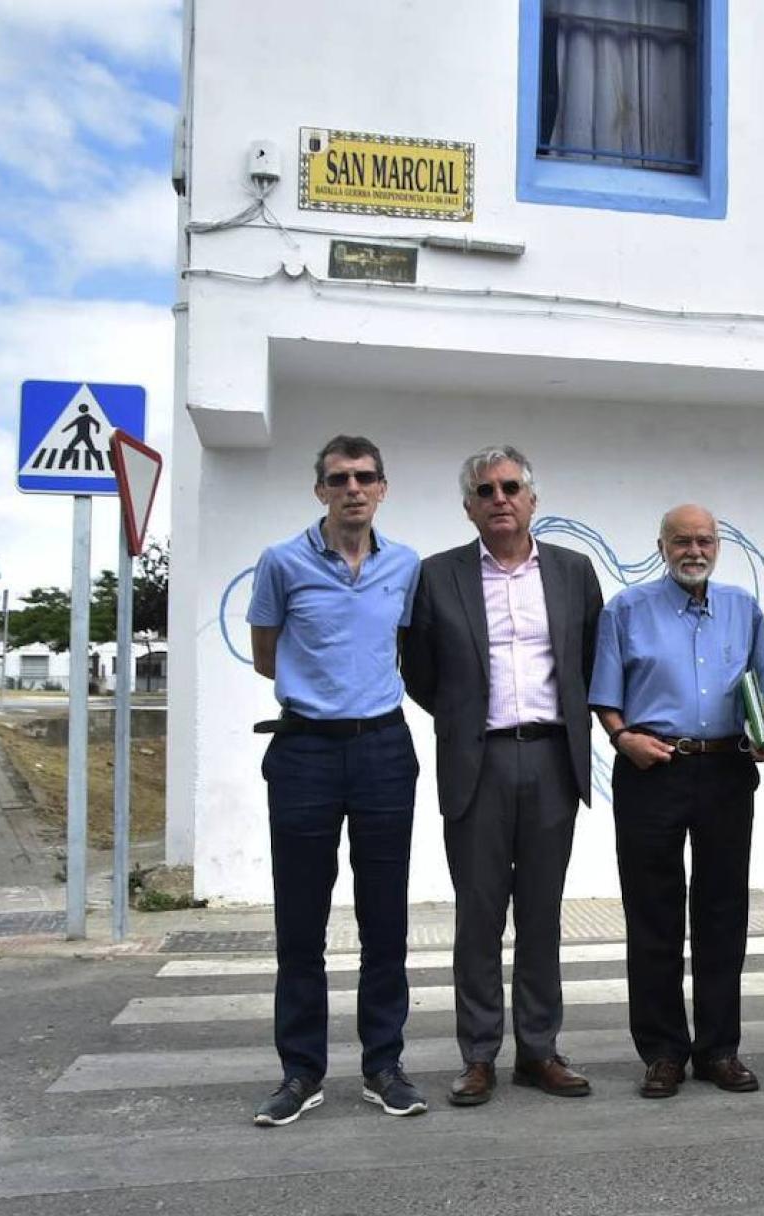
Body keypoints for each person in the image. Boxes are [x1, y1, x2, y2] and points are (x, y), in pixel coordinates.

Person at [401, 445, 604, 1107]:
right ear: (469, 506)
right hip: (477, 761)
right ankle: (480, 1056)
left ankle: (539, 1052)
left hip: (551, 757)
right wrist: (464, 720)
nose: (500, 499)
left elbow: (591, 660)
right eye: (485, 491)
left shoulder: (575, 572)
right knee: (479, 917)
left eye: (511, 487)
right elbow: (420, 672)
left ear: (532, 499)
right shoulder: (437, 576)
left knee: (542, 915)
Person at [247, 434, 424, 1127]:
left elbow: (404, 647)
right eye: (339, 478)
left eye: (365, 477)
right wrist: (320, 694)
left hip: (383, 748)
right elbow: (268, 656)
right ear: (319, 489)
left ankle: (384, 1066)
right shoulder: (281, 563)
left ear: (383, 488)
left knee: (386, 919)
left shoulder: (405, 566)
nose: (353, 488)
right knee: (301, 920)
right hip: (305, 752)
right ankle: (301, 1072)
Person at [588, 504, 764, 1099]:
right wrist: (624, 739)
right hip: (654, 770)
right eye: (681, 541)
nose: (693, 550)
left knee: (724, 913)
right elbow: (604, 695)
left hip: (725, 770)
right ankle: (663, 1051)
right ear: (662, 545)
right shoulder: (626, 609)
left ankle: (719, 1049)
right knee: (653, 914)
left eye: (704, 540)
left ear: (717, 546)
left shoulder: (743, 609)